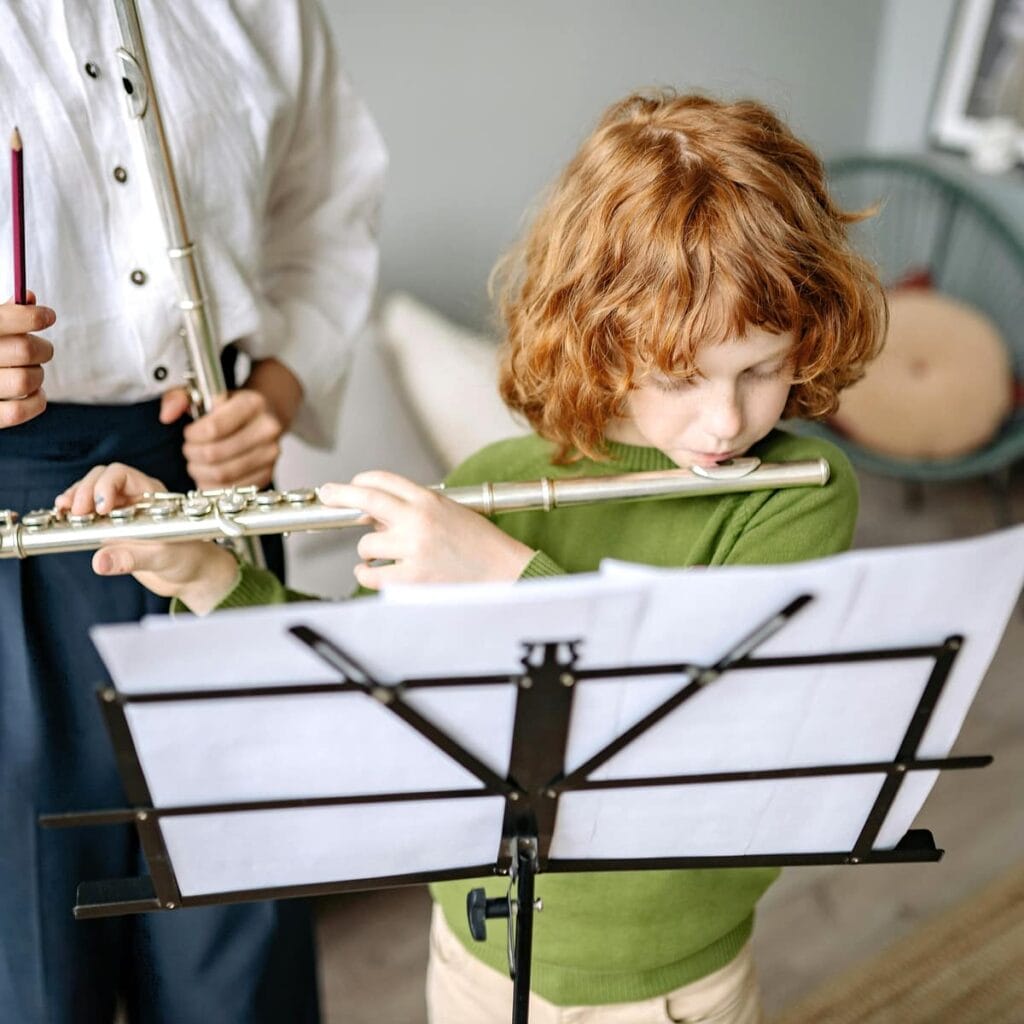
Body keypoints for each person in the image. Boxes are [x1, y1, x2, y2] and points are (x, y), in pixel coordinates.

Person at [61, 91, 885, 1023]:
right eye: (680, 376)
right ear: (603, 341)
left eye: (761, 368)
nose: (727, 418)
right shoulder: (498, 477)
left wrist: (496, 572)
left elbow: (698, 725)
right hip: (476, 956)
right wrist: (206, 574)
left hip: (668, 981)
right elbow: (359, 685)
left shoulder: (798, 488)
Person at [0, 2, 385, 1022]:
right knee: (24, 956)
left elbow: (325, 211)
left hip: (215, 484)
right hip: (11, 508)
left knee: (238, 929)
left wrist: (279, 392)